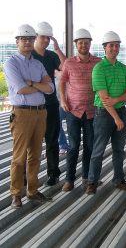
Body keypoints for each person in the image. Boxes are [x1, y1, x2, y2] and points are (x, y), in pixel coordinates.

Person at [4, 24, 54, 208]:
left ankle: (32, 191)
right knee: (19, 158)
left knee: (35, 155)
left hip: (41, 113)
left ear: (34, 41)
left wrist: (32, 82)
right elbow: (20, 88)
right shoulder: (11, 63)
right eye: (23, 39)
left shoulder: (37, 63)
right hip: (22, 114)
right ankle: (16, 194)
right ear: (17, 42)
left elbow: (50, 89)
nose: (27, 42)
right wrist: (38, 84)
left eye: (30, 39)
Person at [86, 31, 126, 194]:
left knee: (119, 149)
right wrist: (117, 118)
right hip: (104, 115)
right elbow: (104, 98)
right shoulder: (98, 68)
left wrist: (116, 99)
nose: (114, 48)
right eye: (111, 45)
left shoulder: (124, 68)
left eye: (117, 45)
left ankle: (119, 179)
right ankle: (92, 181)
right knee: (98, 149)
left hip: (121, 111)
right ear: (104, 48)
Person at [60, 29, 101, 192]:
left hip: (92, 111)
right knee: (73, 146)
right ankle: (69, 179)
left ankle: (86, 177)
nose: (83, 45)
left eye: (86, 42)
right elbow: (62, 82)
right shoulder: (69, 63)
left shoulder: (98, 62)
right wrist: (63, 100)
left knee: (90, 146)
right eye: (80, 42)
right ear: (76, 44)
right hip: (73, 111)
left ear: (90, 44)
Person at [32, 21, 66, 186]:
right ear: (36, 37)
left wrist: (58, 49)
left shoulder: (51, 56)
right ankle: (29, 177)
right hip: (32, 106)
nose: (45, 40)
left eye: (48, 37)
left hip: (51, 104)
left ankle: (53, 173)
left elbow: (67, 68)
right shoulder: (29, 55)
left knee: (52, 140)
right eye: (43, 37)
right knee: (32, 143)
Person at [55, 70, 69, 154]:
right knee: (57, 125)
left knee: (70, 124)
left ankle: (65, 144)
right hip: (57, 103)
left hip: (67, 102)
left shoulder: (61, 74)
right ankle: (63, 144)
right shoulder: (46, 76)